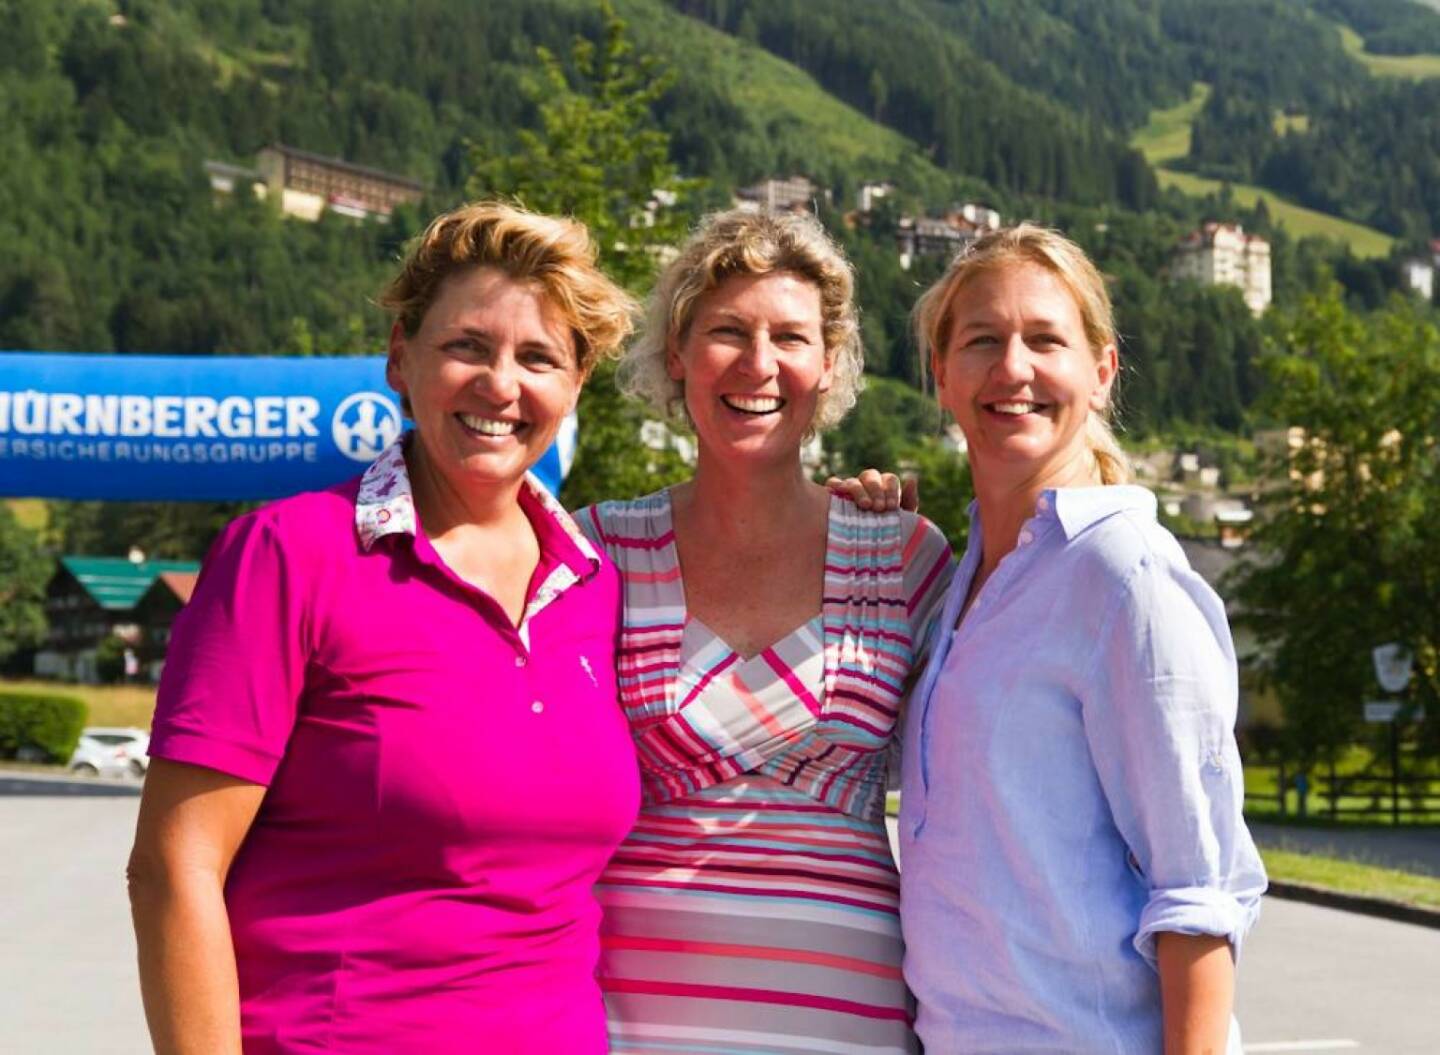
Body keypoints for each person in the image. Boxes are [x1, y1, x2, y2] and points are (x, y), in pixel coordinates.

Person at [126, 202, 642, 1054]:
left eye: (538, 357)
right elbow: (173, 869)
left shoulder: (594, 585)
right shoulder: (287, 556)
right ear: (400, 356)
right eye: (466, 346)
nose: (501, 385)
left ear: (576, 382)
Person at [578, 208, 954, 1055]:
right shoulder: (595, 551)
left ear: (828, 365)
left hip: (846, 1022)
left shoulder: (904, 554)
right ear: (677, 355)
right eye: (725, 331)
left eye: (790, 335)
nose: (758, 363)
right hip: (629, 1016)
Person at [899, 224, 1267, 1053]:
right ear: (942, 376)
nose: (1013, 369)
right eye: (983, 341)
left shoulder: (1125, 576)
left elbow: (1200, 892)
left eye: (1045, 340)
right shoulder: (966, 579)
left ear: (1101, 372)